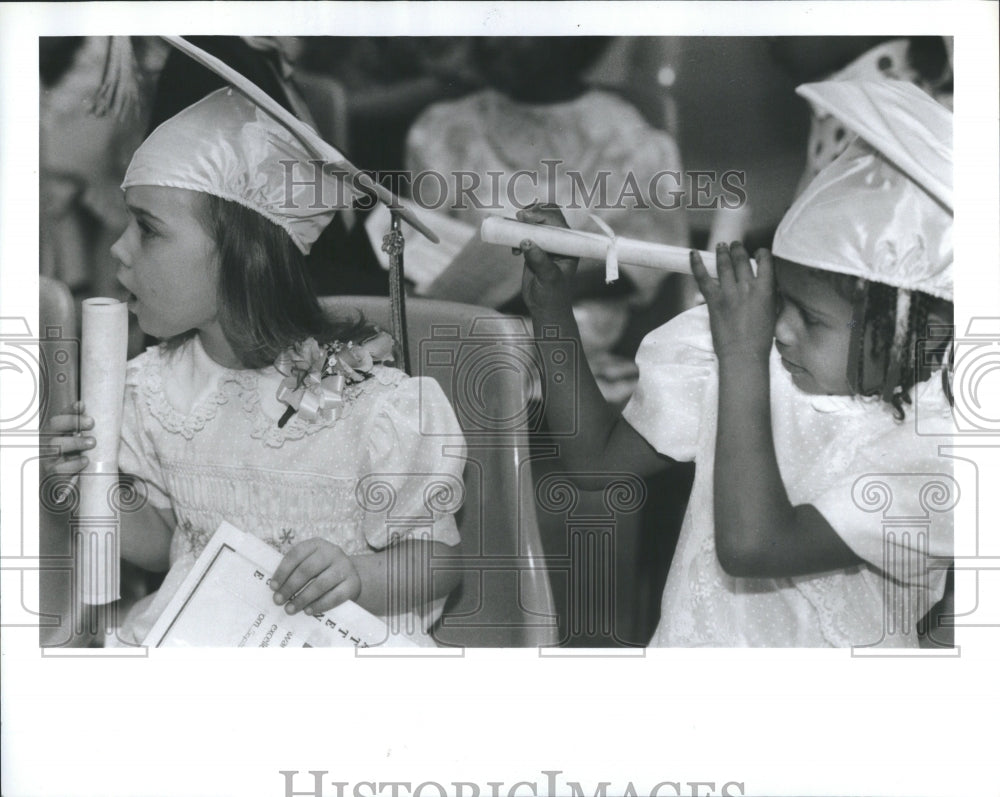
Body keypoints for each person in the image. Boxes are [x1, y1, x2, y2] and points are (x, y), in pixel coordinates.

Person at [516, 79, 954, 647]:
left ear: (914, 332)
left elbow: (756, 546)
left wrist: (741, 355)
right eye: (781, 302)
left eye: (810, 317)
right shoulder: (753, 356)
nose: (782, 329)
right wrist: (551, 308)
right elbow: (596, 465)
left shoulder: (942, 452)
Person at [42, 87, 465, 647]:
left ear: (244, 255)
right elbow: (167, 539)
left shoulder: (375, 406)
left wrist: (359, 576)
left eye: (147, 228)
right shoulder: (154, 389)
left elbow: (439, 563)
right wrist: (85, 488)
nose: (119, 249)